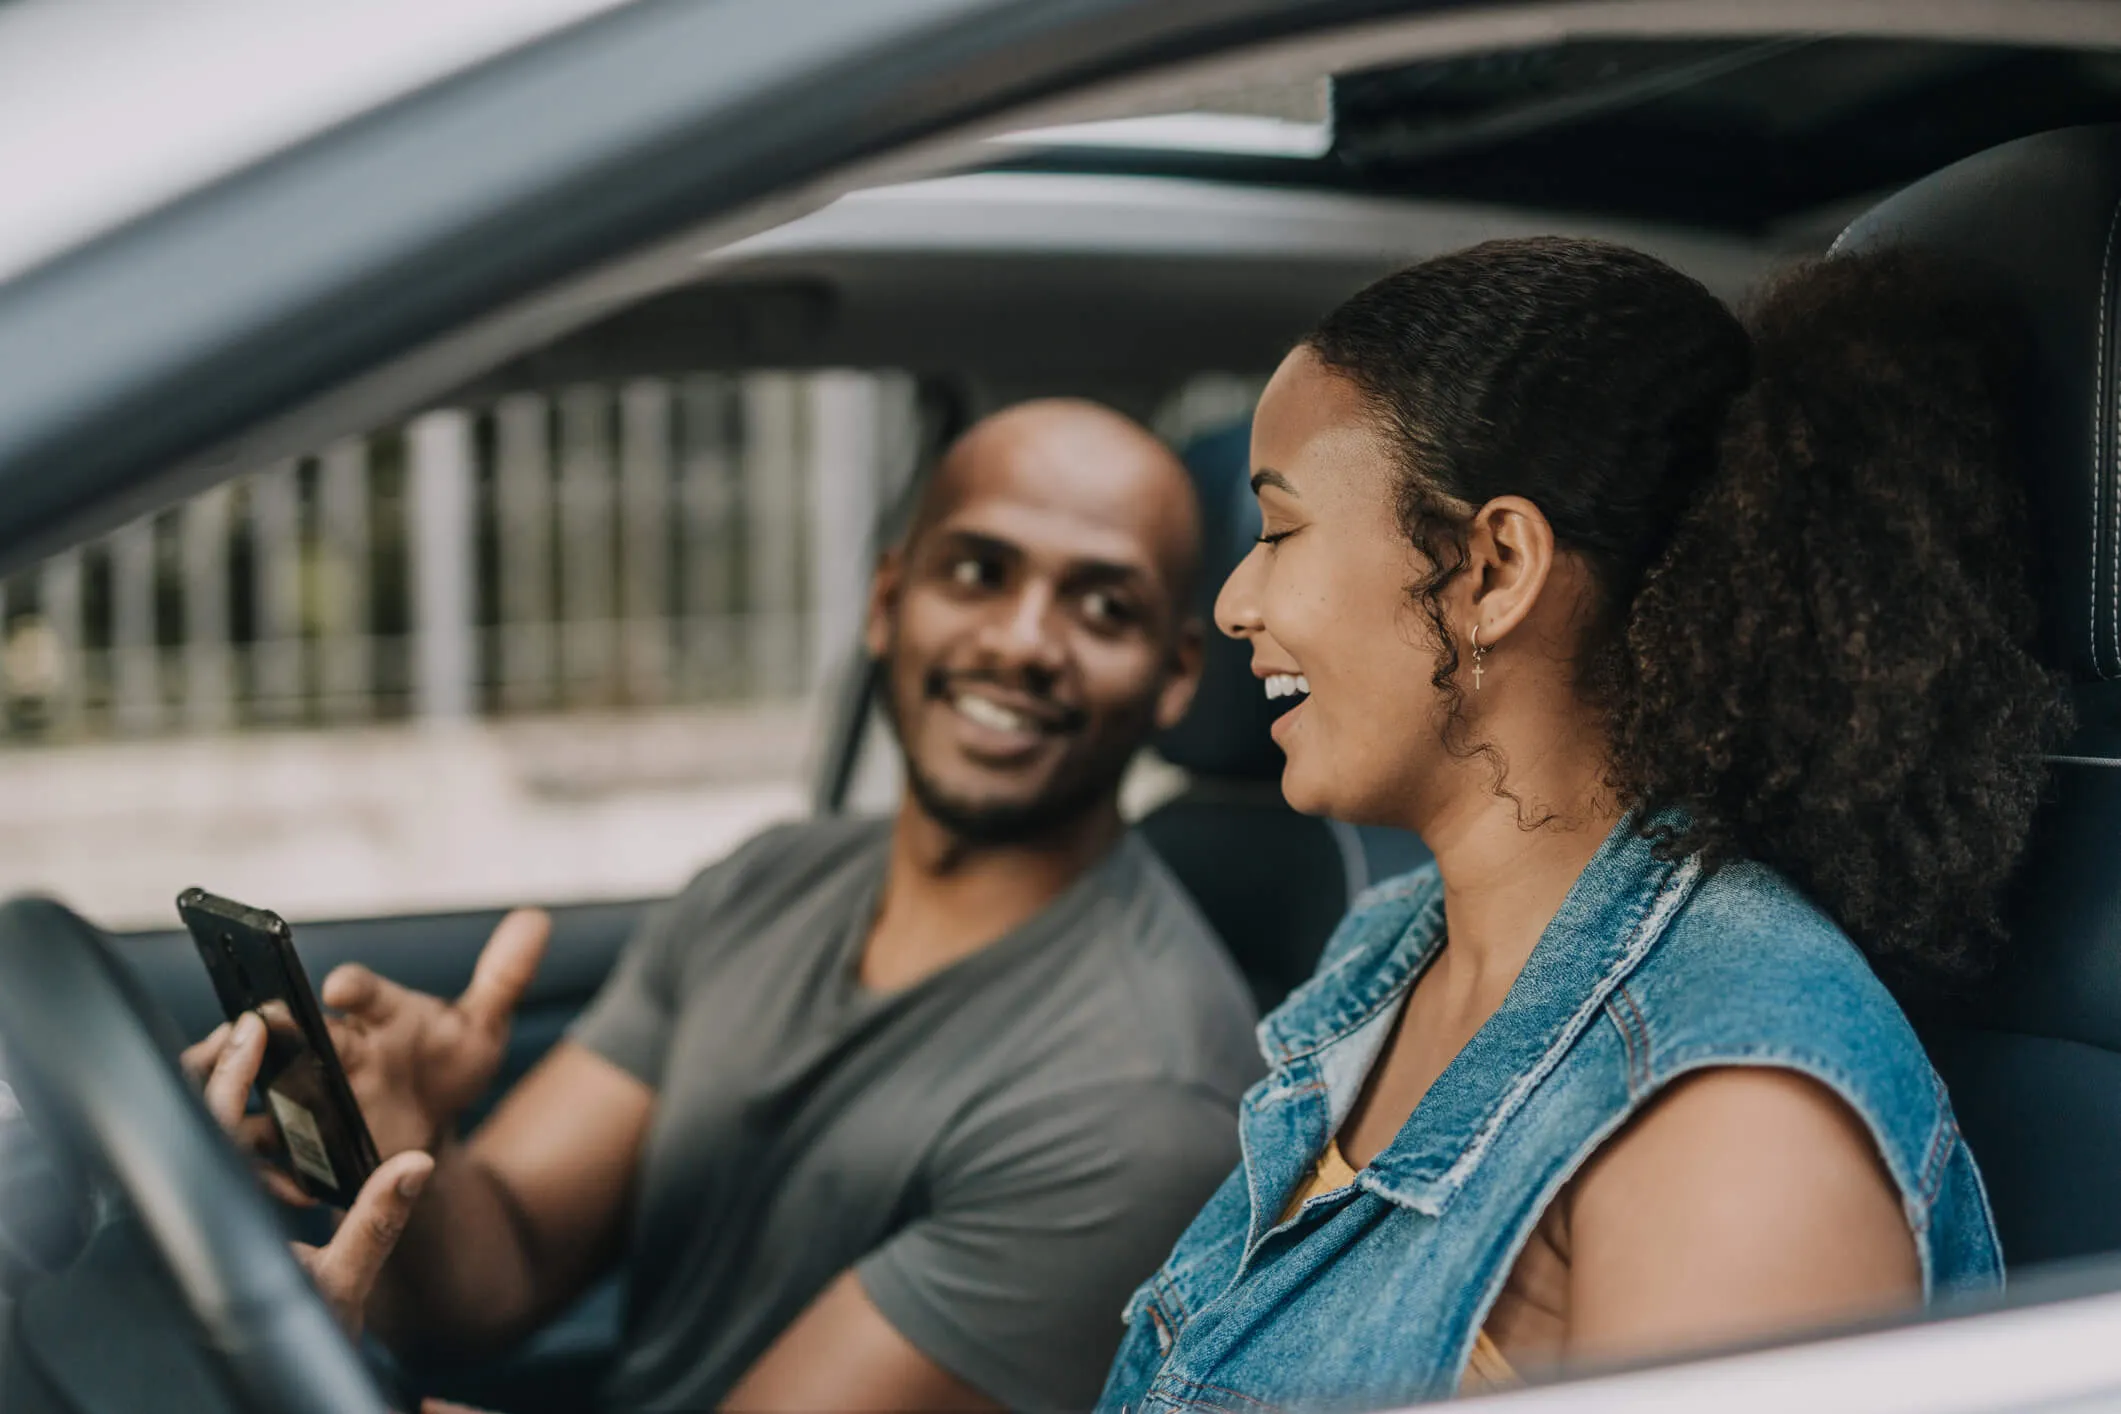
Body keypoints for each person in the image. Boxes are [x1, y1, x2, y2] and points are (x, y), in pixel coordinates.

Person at [1095, 239, 2069, 1412]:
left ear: (1493, 570)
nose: (1234, 603)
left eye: (1282, 530)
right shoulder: (1388, 954)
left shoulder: (1731, 1120)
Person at [192, 398, 1262, 1413]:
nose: (1025, 641)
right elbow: (500, 1273)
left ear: (1173, 677)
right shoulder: (772, 878)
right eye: (979, 571)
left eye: (1103, 606)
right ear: (887, 600)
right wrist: (413, 1135)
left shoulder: (1143, 1102)